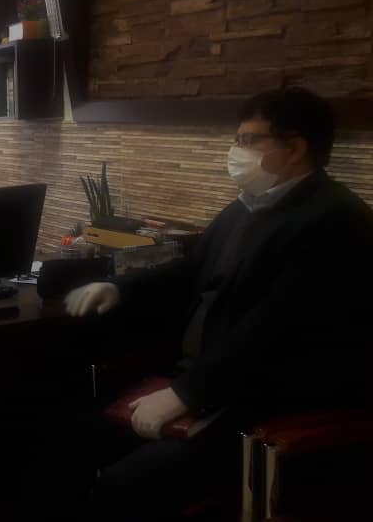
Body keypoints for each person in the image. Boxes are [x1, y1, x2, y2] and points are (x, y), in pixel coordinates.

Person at [63, 87, 373, 521]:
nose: (235, 151)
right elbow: (192, 270)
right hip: (205, 383)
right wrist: (119, 288)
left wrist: (186, 394)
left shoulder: (337, 221)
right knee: (74, 442)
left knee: (123, 488)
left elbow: (274, 330)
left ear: (296, 148)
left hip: (262, 404)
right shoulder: (246, 208)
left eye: (248, 140)